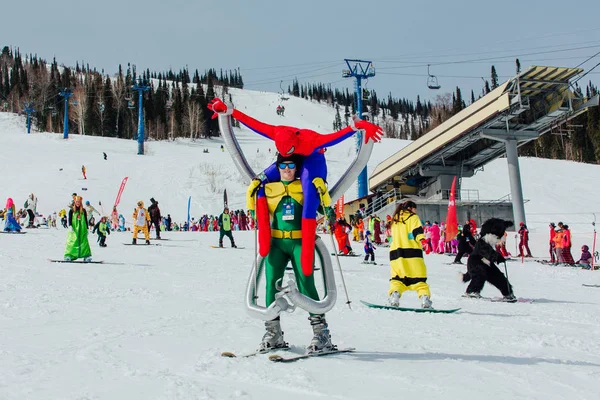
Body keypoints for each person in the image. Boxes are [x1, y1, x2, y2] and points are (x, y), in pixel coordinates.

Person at [208, 97, 382, 276]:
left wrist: (356, 127)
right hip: (290, 159)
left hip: (311, 159)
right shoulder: (277, 132)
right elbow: (254, 124)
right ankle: (265, 237)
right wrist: (230, 111)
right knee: (258, 184)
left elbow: (333, 138)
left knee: (309, 193)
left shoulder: (311, 139)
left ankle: (306, 254)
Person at [247, 154, 336, 353]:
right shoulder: (269, 189)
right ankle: (273, 332)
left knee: (306, 283)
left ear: (296, 168)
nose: (287, 169)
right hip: (276, 243)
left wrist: (322, 189)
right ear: (277, 168)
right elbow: (256, 213)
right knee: (271, 285)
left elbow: (324, 207)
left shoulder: (305, 186)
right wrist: (251, 196)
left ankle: (321, 332)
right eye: (283, 166)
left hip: (300, 242)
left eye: (291, 166)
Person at [388, 201, 432, 309]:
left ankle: (394, 297)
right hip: (412, 253)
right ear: (410, 208)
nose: (415, 211)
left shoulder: (395, 220)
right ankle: (425, 299)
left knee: (398, 279)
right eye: (414, 209)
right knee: (419, 279)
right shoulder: (413, 218)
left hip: (396, 254)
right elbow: (417, 231)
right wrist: (423, 242)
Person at [462, 218, 516, 302]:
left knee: (499, 276)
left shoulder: (488, 241)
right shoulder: (482, 242)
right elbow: (486, 251)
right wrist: (497, 257)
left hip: (486, 263)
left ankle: (508, 293)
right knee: (479, 275)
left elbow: (489, 252)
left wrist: (498, 257)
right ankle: (472, 291)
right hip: (476, 262)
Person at [64, 196, 92, 261]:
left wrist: (87, 228)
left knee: (84, 241)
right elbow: (70, 219)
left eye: (79, 202)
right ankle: (70, 255)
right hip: (74, 229)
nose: (78, 203)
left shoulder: (83, 210)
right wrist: (70, 226)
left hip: (82, 228)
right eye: (76, 202)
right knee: (72, 241)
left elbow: (85, 219)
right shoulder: (72, 210)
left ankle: (86, 255)